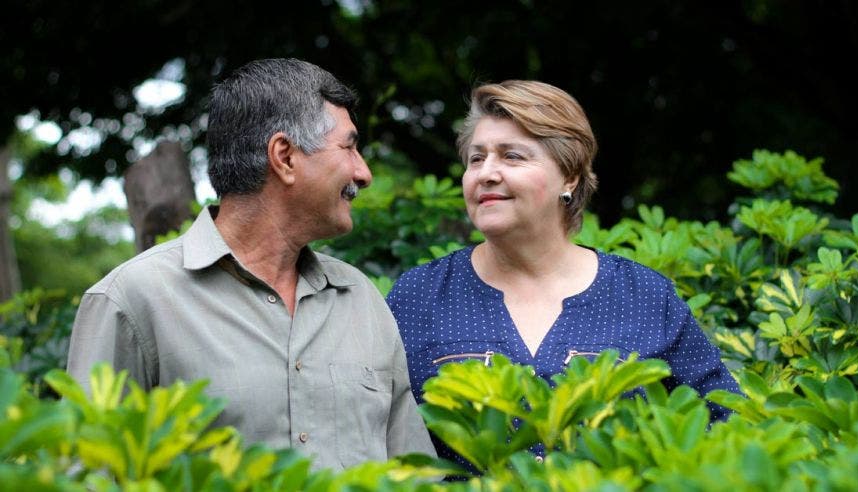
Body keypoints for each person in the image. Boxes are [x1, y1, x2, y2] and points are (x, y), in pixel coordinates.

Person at [67, 58, 435, 470]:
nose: (362, 172)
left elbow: (414, 474)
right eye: (349, 146)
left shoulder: (361, 298)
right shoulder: (131, 300)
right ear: (284, 156)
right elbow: (87, 475)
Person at [387, 80, 740, 463]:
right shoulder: (418, 295)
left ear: (569, 177)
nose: (485, 173)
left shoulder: (644, 295)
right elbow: (373, 434)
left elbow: (728, 424)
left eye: (512, 156)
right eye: (476, 158)